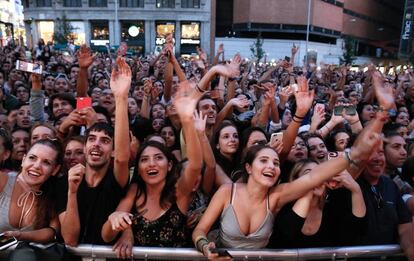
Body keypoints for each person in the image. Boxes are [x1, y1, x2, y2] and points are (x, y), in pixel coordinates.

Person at [192, 119, 379, 259]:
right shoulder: (227, 191)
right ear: (249, 168)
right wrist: (205, 246)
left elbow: (314, 176)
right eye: (263, 161)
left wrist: (355, 154)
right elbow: (200, 230)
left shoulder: (276, 196)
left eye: (275, 163)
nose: (271, 167)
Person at [101, 80, 202, 259]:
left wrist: (186, 120)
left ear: (169, 165)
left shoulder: (179, 192)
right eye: (145, 160)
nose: (151, 164)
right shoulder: (135, 191)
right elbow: (106, 235)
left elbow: (195, 165)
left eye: (158, 158)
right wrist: (114, 219)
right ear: (138, 168)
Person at [57, 57, 131, 246]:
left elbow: (123, 158)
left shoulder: (116, 179)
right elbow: (70, 239)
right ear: (84, 146)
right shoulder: (66, 182)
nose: (97, 144)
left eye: (105, 141)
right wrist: (72, 192)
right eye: (91, 139)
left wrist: (121, 98)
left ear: (112, 151)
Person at [0, 139, 62, 259]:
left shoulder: (54, 194)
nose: (37, 166)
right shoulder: (3, 181)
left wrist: (20, 235)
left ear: (55, 169)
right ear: (23, 160)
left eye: (46, 162)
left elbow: (52, 232)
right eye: (32, 158)